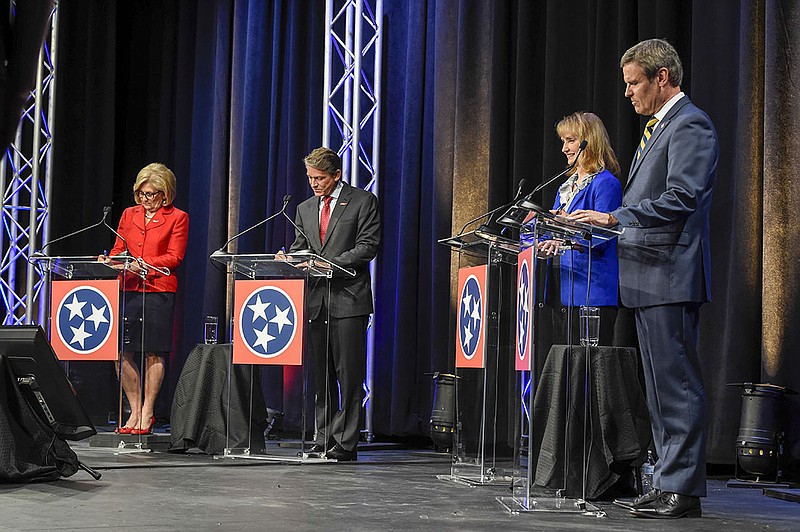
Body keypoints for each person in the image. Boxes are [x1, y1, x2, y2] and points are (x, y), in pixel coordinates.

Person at [569, 39, 718, 518]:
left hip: (670, 273)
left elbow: (683, 197)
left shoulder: (689, 124)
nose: (629, 94)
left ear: (663, 78)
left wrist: (617, 218)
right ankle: (665, 479)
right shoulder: (657, 128)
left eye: (635, 83)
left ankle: (684, 489)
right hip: (646, 277)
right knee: (656, 390)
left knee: (677, 386)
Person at [289, 147, 380, 461]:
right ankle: (323, 436)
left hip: (349, 299)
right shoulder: (304, 208)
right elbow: (302, 247)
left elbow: (368, 245)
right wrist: (289, 259)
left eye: (320, 178)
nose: (314, 184)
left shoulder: (363, 201)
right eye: (311, 178)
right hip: (316, 301)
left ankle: (347, 442)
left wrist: (330, 264)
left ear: (337, 175)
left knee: (349, 375)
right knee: (321, 375)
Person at [104, 163, 189, 435]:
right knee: (120, 352)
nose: (145, 200)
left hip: (158, 290)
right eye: (141, 194)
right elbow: (119, 248)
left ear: (165, 194)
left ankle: (149, 412)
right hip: (128, 288)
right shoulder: (129, 215)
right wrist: (112, 260)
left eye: (151, 194)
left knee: (153, 351)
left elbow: (175, 257)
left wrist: (142, 263)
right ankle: (135, 409)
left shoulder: (178, 217)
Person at [536, 112, 622, 344]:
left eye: (571, 140)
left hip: (592, 291)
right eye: (563, 141)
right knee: (566, 369)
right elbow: (554, 230)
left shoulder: (605, 184)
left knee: (588, 370)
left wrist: (567, 229)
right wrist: (545, 242)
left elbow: (604, 235)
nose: (564, 148)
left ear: (589, 141)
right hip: (562, 289)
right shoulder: (565, 187)